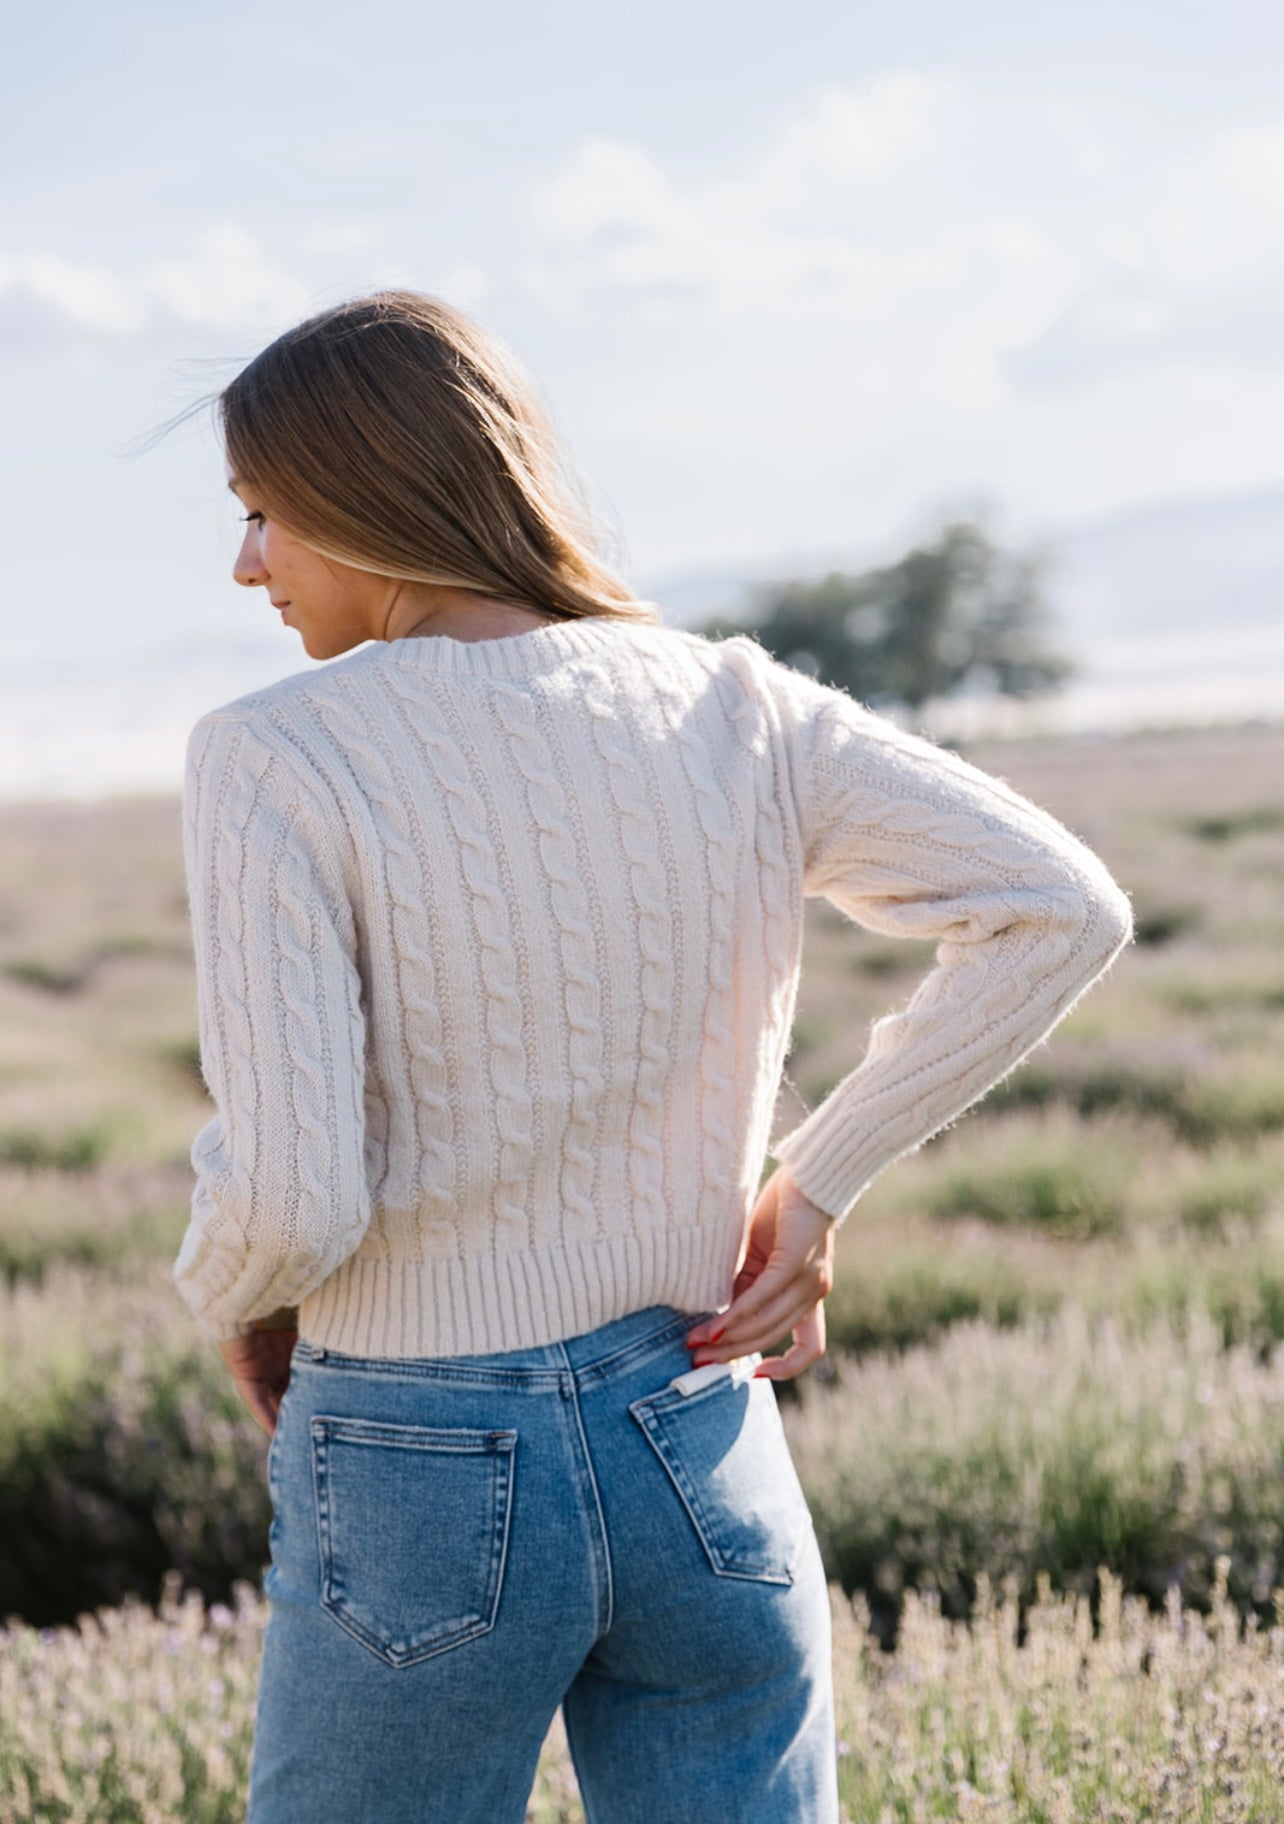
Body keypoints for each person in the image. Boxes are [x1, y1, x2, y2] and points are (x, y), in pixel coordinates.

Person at [171, 289, 1133, 1824]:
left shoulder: (277, 753)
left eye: (266, 516)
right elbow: (1059, 908)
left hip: (418, 1451)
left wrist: (232, 1299)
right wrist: (810, 1194)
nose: (246, 565)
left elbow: (292, 1200)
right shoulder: (736, 707)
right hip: (698, 1423)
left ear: (366, 494)